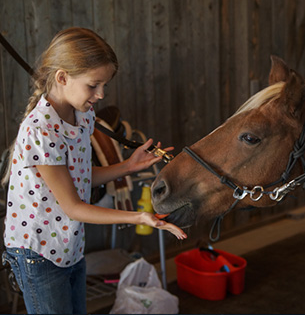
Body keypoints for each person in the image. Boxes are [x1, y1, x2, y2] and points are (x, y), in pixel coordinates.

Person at [2, 27, 187, 314]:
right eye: (93, 85)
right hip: (38, 254)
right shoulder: (40, 131)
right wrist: (139, 216)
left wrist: (128, 166)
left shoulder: (82, 115)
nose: (100, 95)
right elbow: (74, 206)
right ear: (62, 77)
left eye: (104, 86)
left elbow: (81, 177)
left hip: (69, 246)